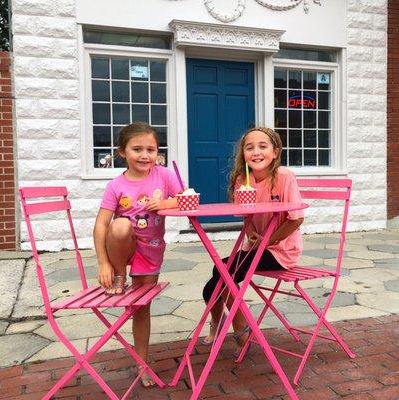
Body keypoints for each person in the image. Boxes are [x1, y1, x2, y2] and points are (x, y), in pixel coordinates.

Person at [202, 127, 304, 355]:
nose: (256, 152)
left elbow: (296, 219)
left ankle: (237, 326)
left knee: (218, 280)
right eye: (250, 148)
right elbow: (247, 217)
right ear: (243, 154)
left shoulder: (284, 177)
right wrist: (250, 234)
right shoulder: (242, 179)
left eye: (263, 146)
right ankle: (238, 324)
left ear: (275, 152)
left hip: (281, 251)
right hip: (255, 248)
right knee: (219, 274)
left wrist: (268, 241)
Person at [93, 122, 181, 387]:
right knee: (119, 225)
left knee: (140, 309)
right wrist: (104, 263)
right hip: (121, 247)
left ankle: (142, 364)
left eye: (151, 149)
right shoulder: (115, 185)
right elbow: (100, 224)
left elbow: (188, 199)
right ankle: (120, 275)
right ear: (122, 152)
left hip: (150, 251)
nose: (145, 155)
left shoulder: (164, 176)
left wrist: (166, 202)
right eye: (137, 149)